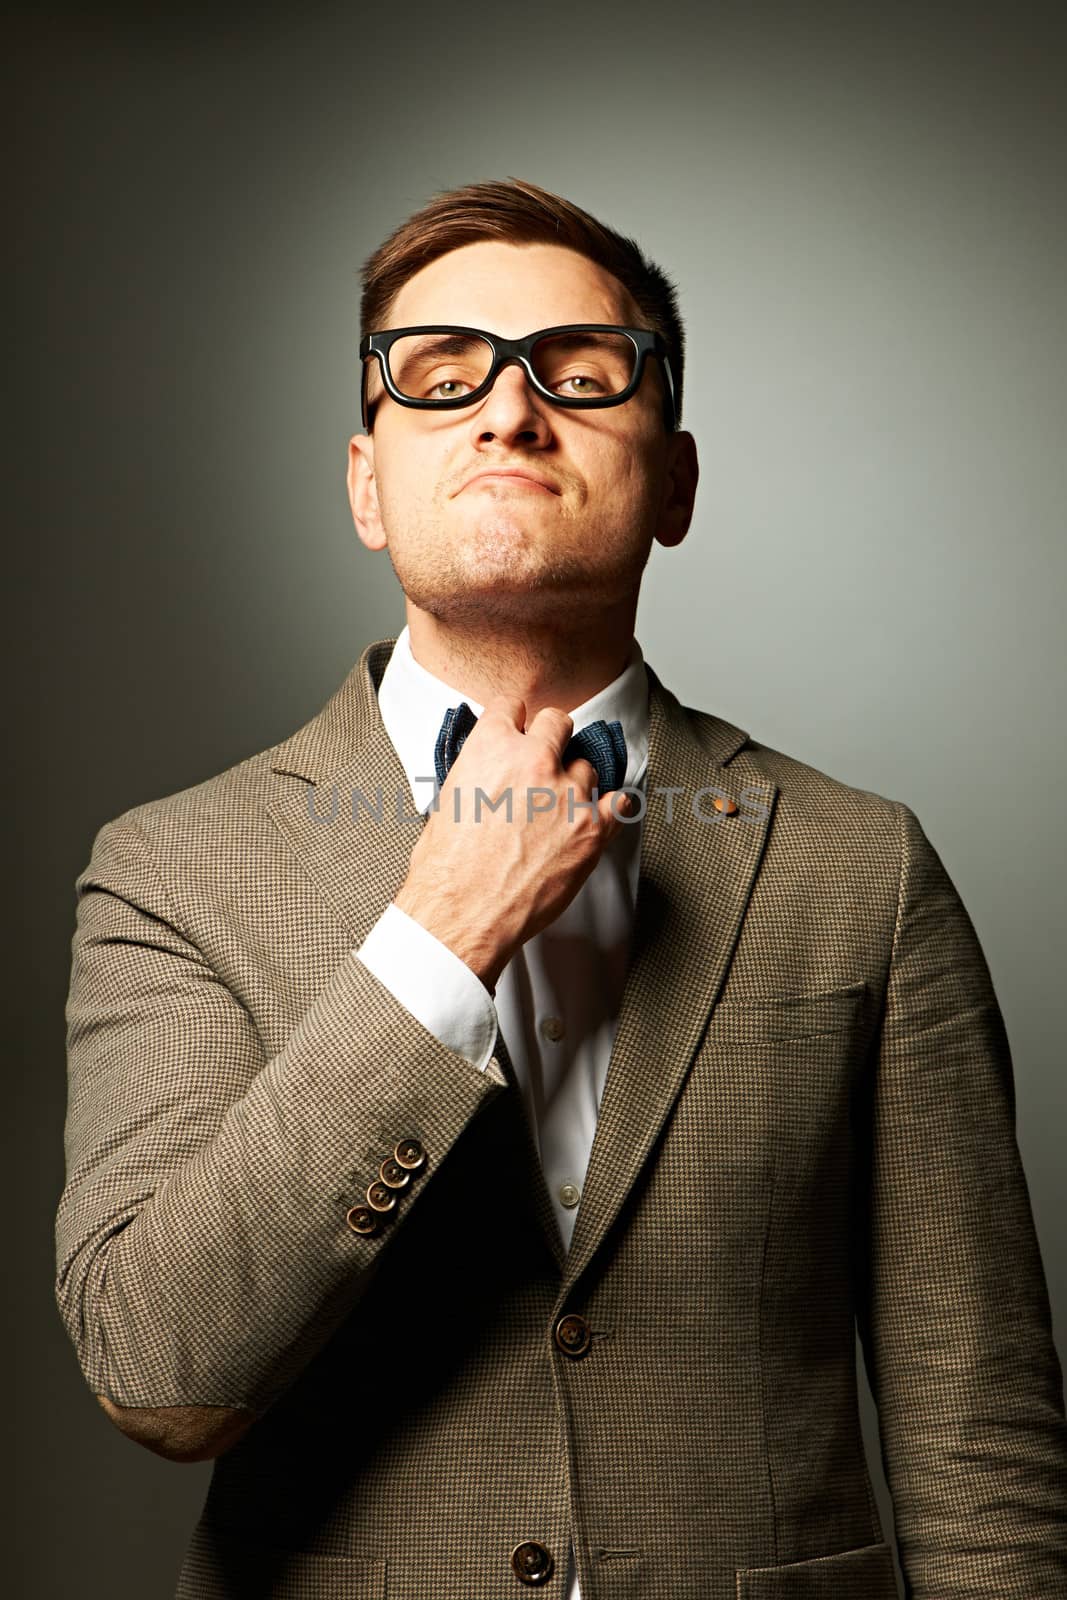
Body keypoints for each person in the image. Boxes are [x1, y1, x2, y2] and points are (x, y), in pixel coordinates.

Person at [56, 176, 1067, 1600]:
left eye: (581, 375)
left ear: (675, 483)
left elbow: (986, 1451)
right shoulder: (171, 870)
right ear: (366, 484)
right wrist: (440, 933)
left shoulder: (866, 869)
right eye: (441, 375)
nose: (510, 412)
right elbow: (156, 1371)